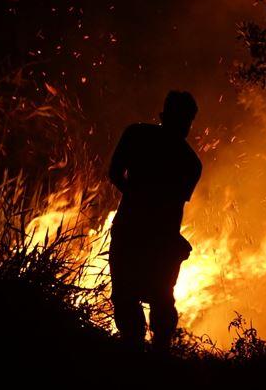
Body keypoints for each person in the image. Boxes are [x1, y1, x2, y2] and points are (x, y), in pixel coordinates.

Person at [107, 91, 202, 351]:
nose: (184, 126)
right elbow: (174, 207)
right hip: (153, 236)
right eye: (182, 119)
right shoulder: (190, 161)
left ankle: (140, 349)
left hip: (133, 230)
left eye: (186, 120)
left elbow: (115, 173)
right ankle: (153, 353)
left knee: (133, 295)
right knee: (156, 297)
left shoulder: (137, 135)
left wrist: (136, 200)